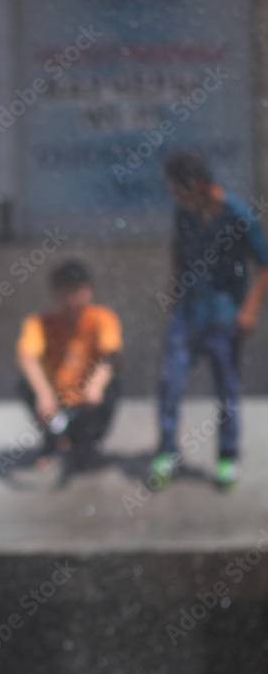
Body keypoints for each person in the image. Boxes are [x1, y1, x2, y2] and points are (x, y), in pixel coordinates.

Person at [150, 152, 268, 488]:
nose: (175, 196)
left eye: (178, 189)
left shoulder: (238, 216)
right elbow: (177, 255)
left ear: (198, 186)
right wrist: (172, 299)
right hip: (187, 315)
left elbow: (265, 265)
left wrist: (249, 309)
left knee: (227, 390)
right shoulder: (184, 214)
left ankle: (228, 456)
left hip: (224, 317)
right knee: (169, 384)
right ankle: (166, 452)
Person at [15, 260, 122, 463]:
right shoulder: (40, 323)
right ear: (55, 294)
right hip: (55, 402)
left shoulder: (102, 318)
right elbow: (25, 356)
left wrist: (96, 386)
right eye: (66, 292)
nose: (72, 300)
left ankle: (87, 445)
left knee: (114, 384)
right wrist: (44, 394)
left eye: (78, 291)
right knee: (23, 383)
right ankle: (53, 441)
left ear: (90, 290)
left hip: (86, 401)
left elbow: (112, 355)